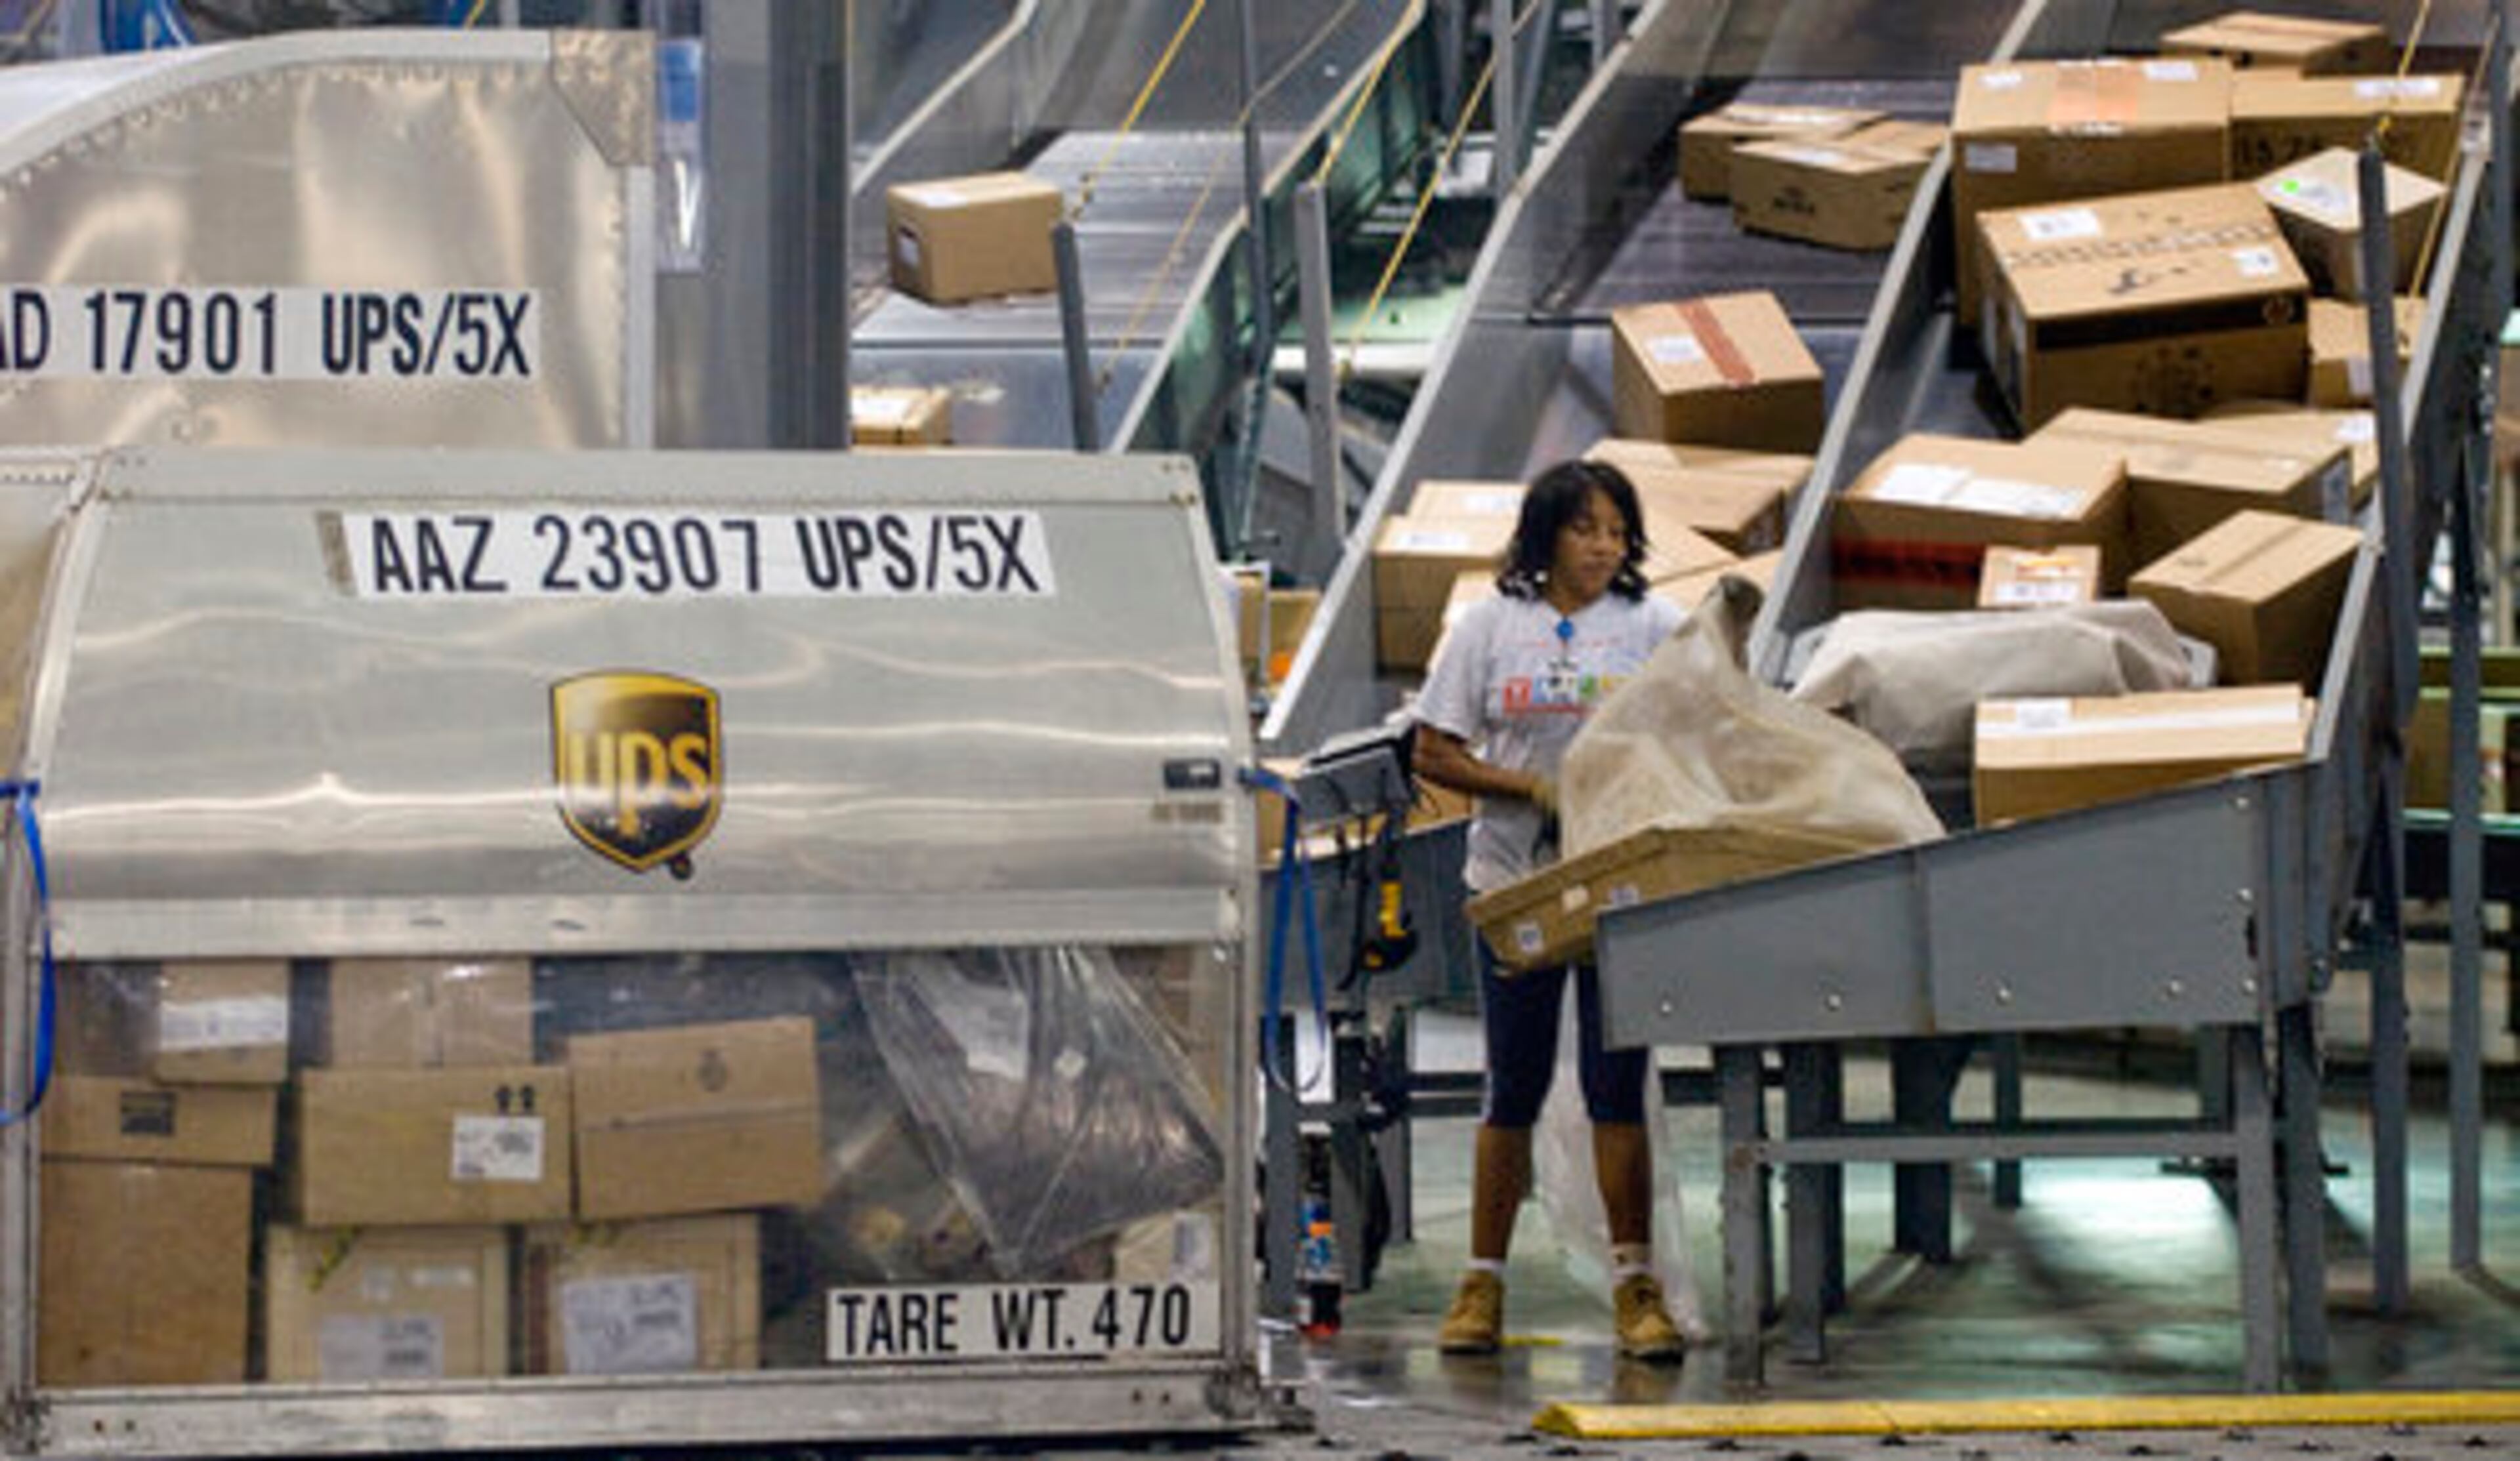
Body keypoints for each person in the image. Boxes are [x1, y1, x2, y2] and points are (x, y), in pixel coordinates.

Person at [1410, 457, 1687, 1363]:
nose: (1604, 547)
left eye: (1617, 531)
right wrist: (1529, 786)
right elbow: (1435, 751)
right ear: (1546, 536)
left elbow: (1705, 721)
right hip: (1513, 885)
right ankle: (1481, 1284)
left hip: (1619, 889)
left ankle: (1635, 1285)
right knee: (1512, 1086)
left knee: (1617, 1086)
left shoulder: (1651, 626)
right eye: (1586, 529)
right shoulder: (1491, 628)